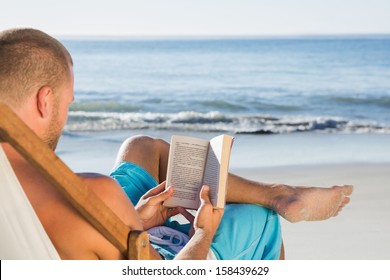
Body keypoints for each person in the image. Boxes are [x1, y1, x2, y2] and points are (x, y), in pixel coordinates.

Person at [0, 28, 353, 260]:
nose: (66, 113)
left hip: (76, 240)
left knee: (142, 148)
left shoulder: (34, 192)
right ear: (45, 101)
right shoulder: (93, 194)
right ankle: (275, 200)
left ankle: (280, 191)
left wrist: (134, 220)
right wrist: (203, 232)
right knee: (260, 219)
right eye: (68, 103)